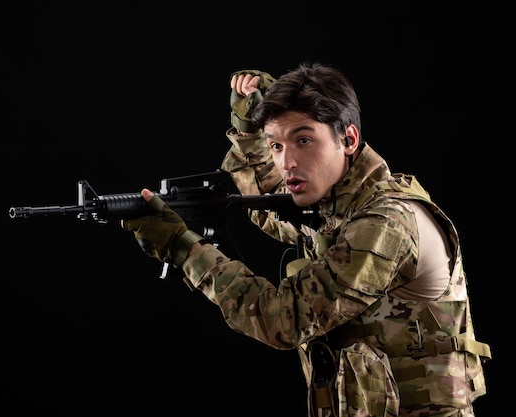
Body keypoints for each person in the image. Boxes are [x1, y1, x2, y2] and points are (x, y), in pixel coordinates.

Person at [122, 62, 491, 416]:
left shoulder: (384, 223)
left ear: (348, 139)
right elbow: (261, 204)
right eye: (277, 146)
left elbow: (283, 320)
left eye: (303, 140)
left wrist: (184, 249)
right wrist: (249, 132)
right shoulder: (336, 211)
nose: (287, 163)